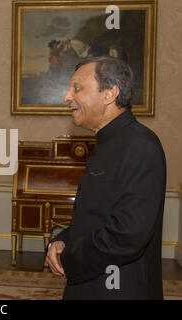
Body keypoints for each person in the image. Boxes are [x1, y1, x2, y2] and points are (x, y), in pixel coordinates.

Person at [45, 56, 166, 299]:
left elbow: (127, 235)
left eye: (77, 88)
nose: (67, 96)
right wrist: (62, 240)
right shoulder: (109, 141)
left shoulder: (140, 146)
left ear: (109, 94)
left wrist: (70, 258)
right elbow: (97, 216)